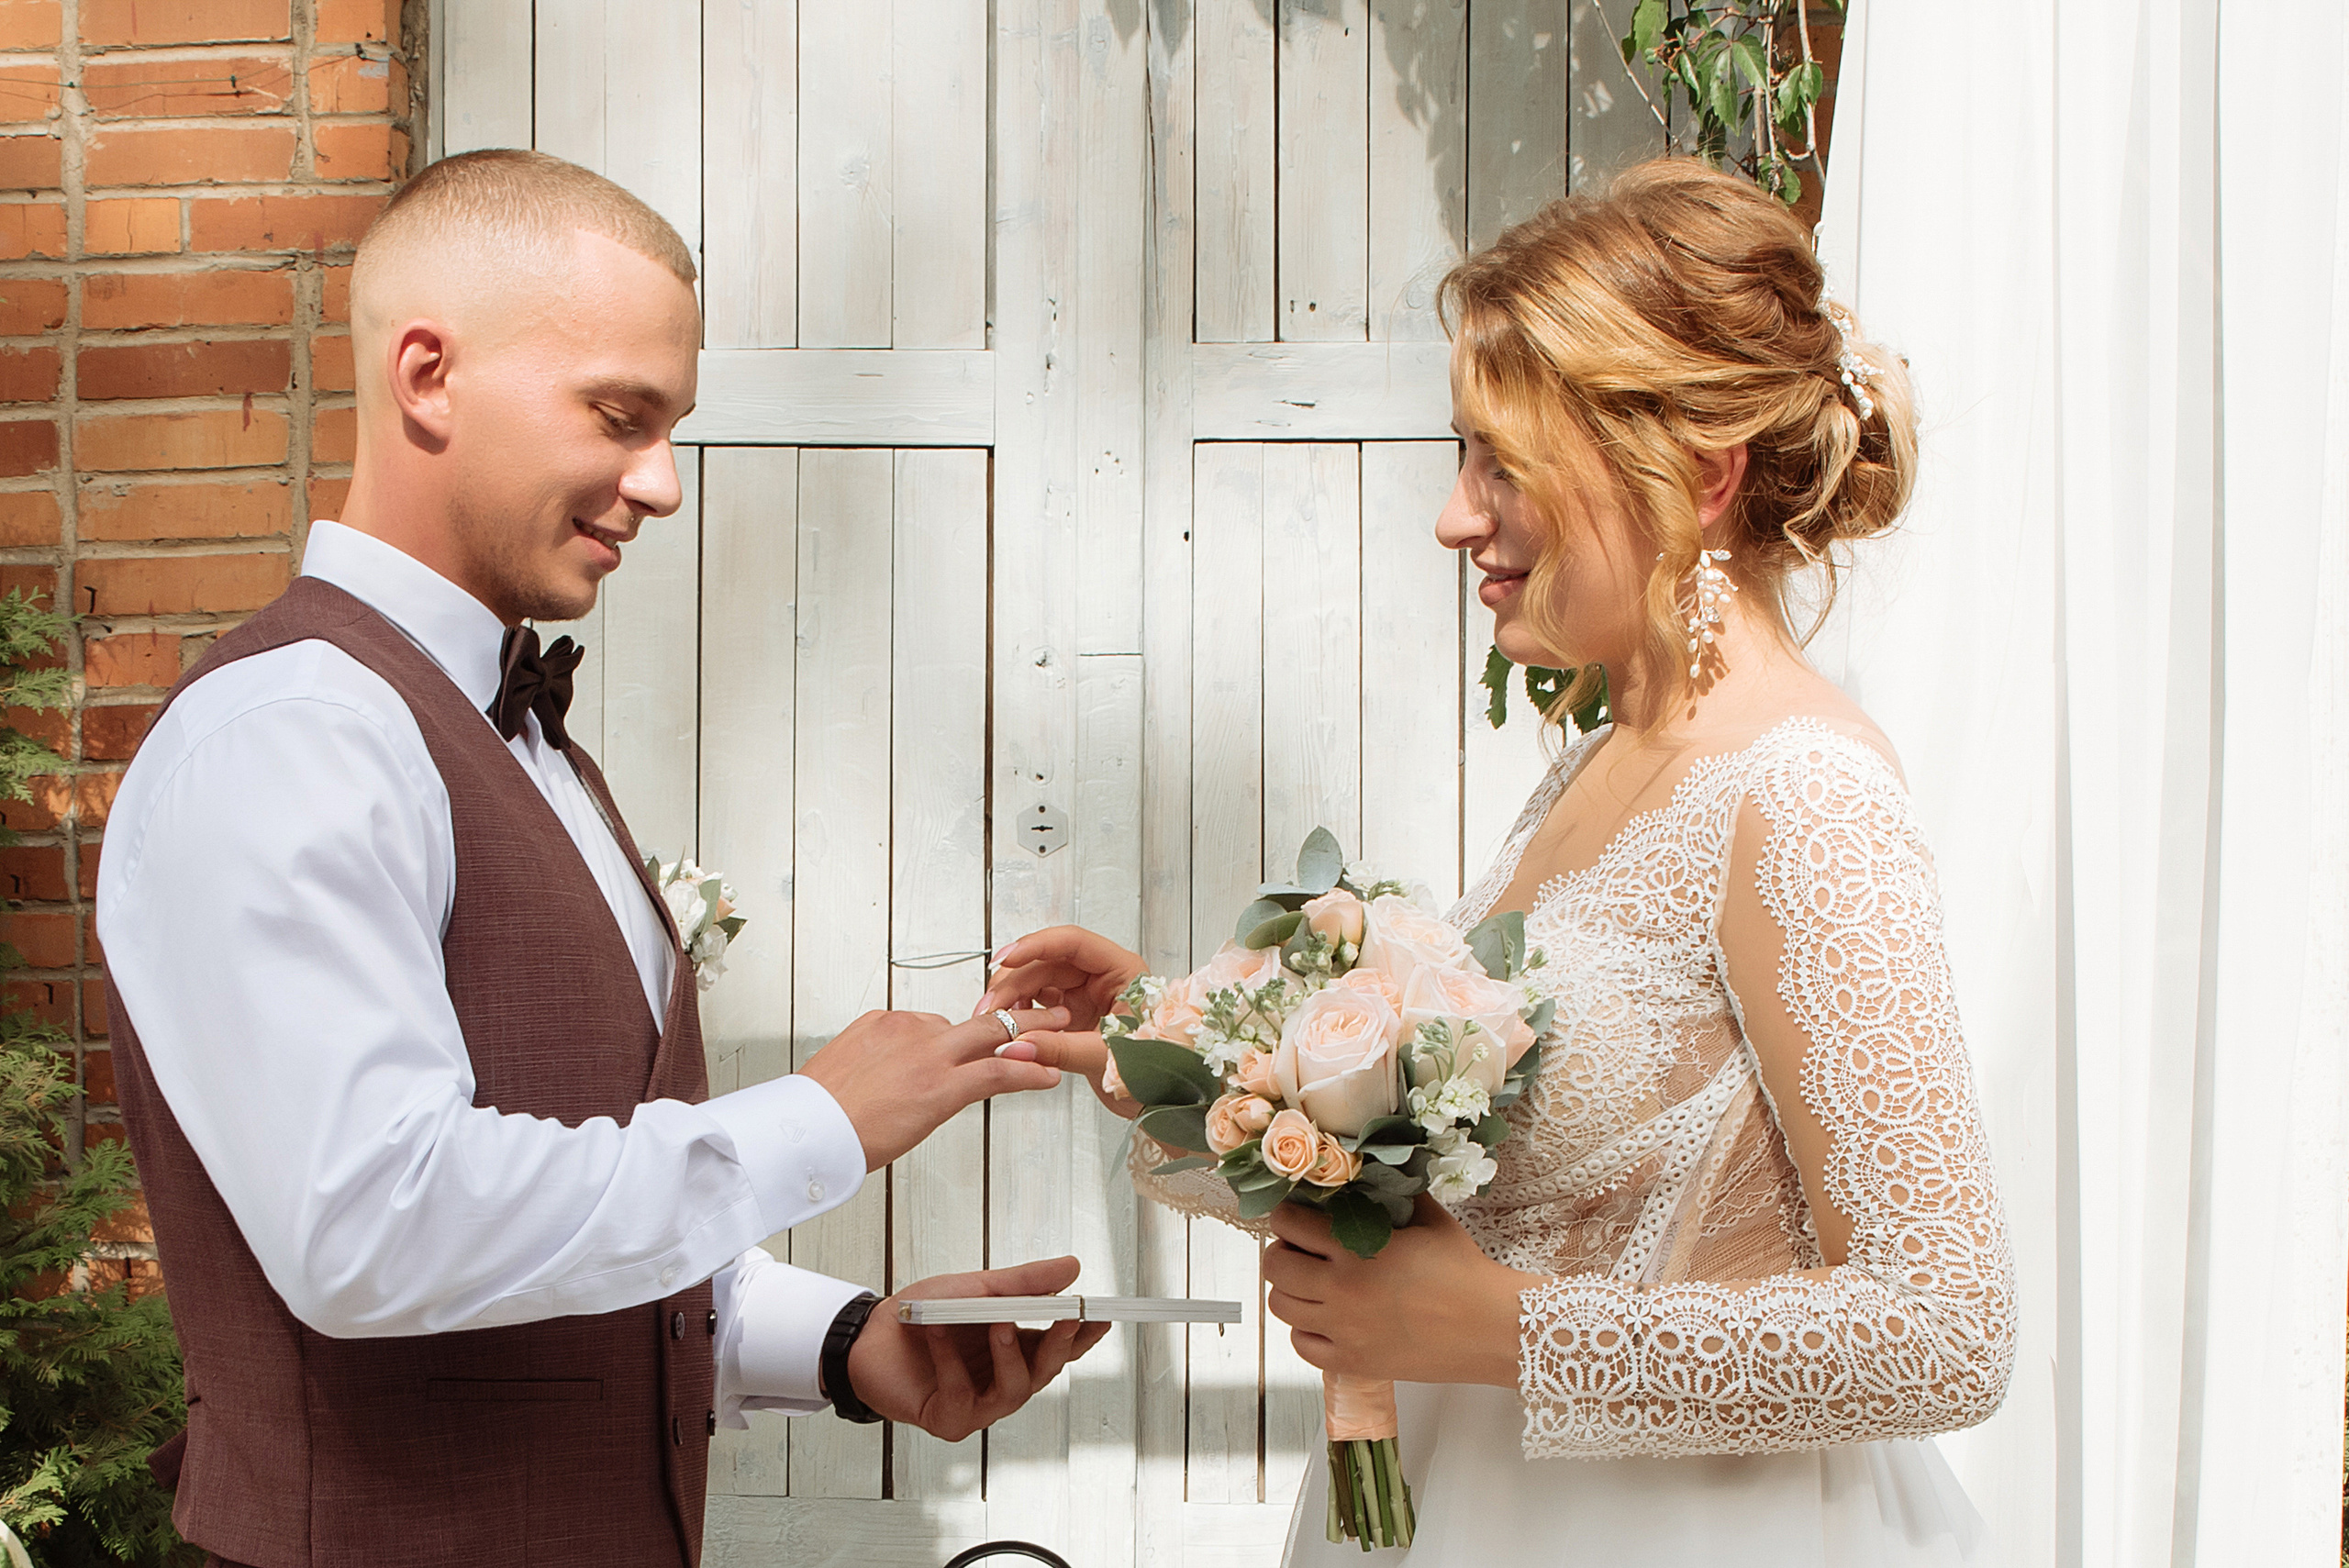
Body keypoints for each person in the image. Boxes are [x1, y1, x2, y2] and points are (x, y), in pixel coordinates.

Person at [981, 159, 2015, 1566]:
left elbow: (1948, 1330)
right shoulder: (1601, 761)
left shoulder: (1806, 795)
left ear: (1697, 478)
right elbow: (1481, 1186)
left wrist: (1506, 1334)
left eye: (1502, 462)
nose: (1455, 515)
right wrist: (1186, 1061)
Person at [96, 149, 1106, 1568]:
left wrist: (846, 1342)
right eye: (621, 417)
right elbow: (374, 1224)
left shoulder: (532, 743)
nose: (664, 483)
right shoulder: (289, 733)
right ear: (428, 375)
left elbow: (558, 1221)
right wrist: (818, 1120)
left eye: (673, 426)